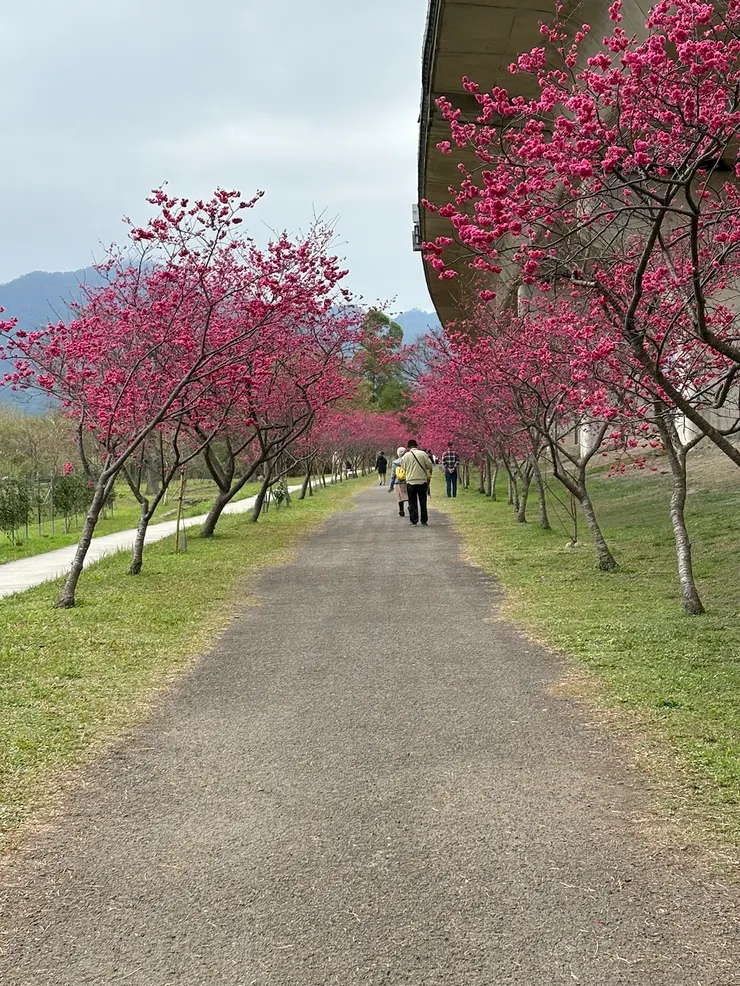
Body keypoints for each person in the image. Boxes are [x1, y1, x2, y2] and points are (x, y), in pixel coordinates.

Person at [399, 440, 433, 526]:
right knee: (423, 501)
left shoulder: (406, 456)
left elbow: (403, 467)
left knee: (412, 501)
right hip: (422, 480)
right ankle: (424, 520)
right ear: (416, 446)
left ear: (409, 447)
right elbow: (429, 465)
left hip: (411, 481)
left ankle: (414, 520)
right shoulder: (423, 454)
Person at [388, 446, 408, 517]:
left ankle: (401, 510)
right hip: (407, 480)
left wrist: (391, 486)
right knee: (409, 495)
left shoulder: (395, 462)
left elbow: (393, 475)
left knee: (400, 497)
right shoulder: (408, 461)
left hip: (398, 482)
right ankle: (410, 507)